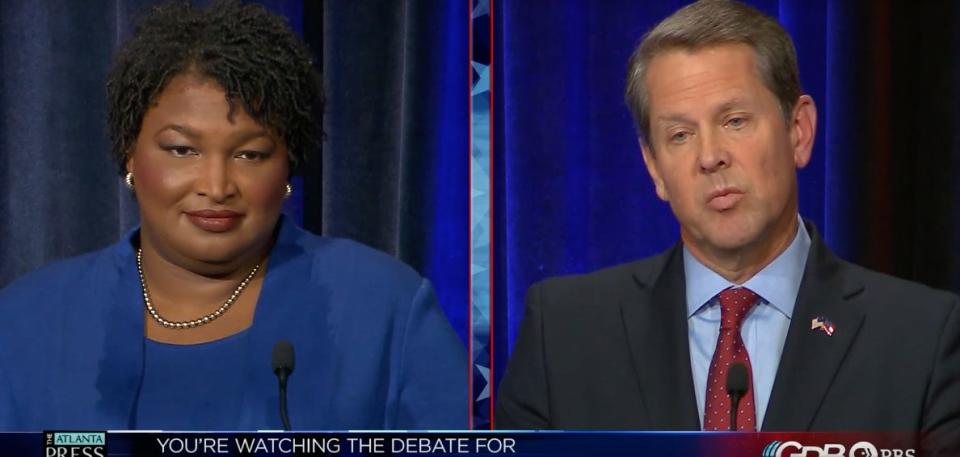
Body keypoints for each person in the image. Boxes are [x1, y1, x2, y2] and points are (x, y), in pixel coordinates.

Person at [495, 0, 959, 447]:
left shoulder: (922, 339)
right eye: (680, 135)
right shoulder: (563, 335)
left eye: (735, 121)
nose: (710, 156)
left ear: (799, 131)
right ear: (654, 168)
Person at [0, 0, 465, 430]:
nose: (217, 186)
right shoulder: (26, 323)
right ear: (130, 156)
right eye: (182, 150)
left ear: (289, 166)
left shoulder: (386, 311)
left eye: (250, 155)